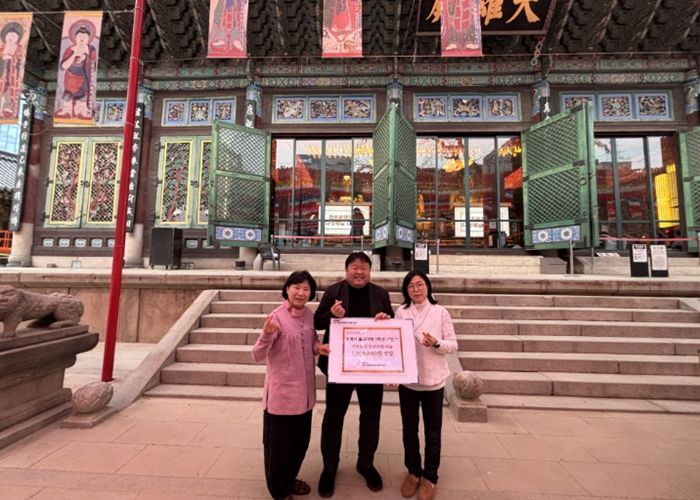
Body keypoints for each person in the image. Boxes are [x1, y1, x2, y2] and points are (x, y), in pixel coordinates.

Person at [315, 252, 393, 497]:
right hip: (341, 365)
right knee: (334, 417)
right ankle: (330, 467)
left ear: (370, 271)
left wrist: (385, 319)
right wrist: (333, 315)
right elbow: (317, 321)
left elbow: (391, 323)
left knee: (371, 416)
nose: (359, 272)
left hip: (371, 366)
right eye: (355, 267)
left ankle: (366, 464)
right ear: (346, 269)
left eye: (364, 268)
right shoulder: (333, 291)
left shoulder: (381, 294)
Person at [252, 270, 330, 500]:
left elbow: (310, 341)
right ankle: (279, 491)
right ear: (287, 289)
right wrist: (266, 335)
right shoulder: (276, 318)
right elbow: (257, 354)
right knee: (278, 450)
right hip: (282, 398)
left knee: (299, 445)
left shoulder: (308, 315)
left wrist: (319, 348)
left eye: (306, 289)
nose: (301, 292)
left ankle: (289, 479)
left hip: (305, 397)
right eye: (296, 287)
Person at [394, 270, 457, 500]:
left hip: (433, 383)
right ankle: (413, 471)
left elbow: (453, 344)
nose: (416, 289)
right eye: (411, 286)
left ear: (428, 287)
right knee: (409, 430)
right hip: (409, 383)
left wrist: (436, 343)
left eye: (420, 284)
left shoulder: (440, 312)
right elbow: (395, 343)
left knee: (433, 432)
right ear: (406, 290)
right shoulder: (401, 312)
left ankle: (430, 477)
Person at [56, 24, 97, 120]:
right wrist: (74, 54)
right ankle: (67, 110)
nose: (82, 38)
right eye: (80, 36)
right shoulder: (70, 49)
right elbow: (63, 66)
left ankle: (81, 111)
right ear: (75, 37)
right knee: (68, 96)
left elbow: (93, 64)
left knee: (82, 98)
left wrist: (85, 56)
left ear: (88, 38)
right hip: (71, 77)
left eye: (85, 37)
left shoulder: (91, 49)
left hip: (84, 77)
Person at [0, 22, 25, 120]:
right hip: (2, 74)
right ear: (5, 37)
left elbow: (20, 63)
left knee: (10, 93)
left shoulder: (19, 50)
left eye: (14, 37)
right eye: (9, 36)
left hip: (13, 77)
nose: (11, 39)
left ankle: (8, 108)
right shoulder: (1, 49)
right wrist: (4, 58)